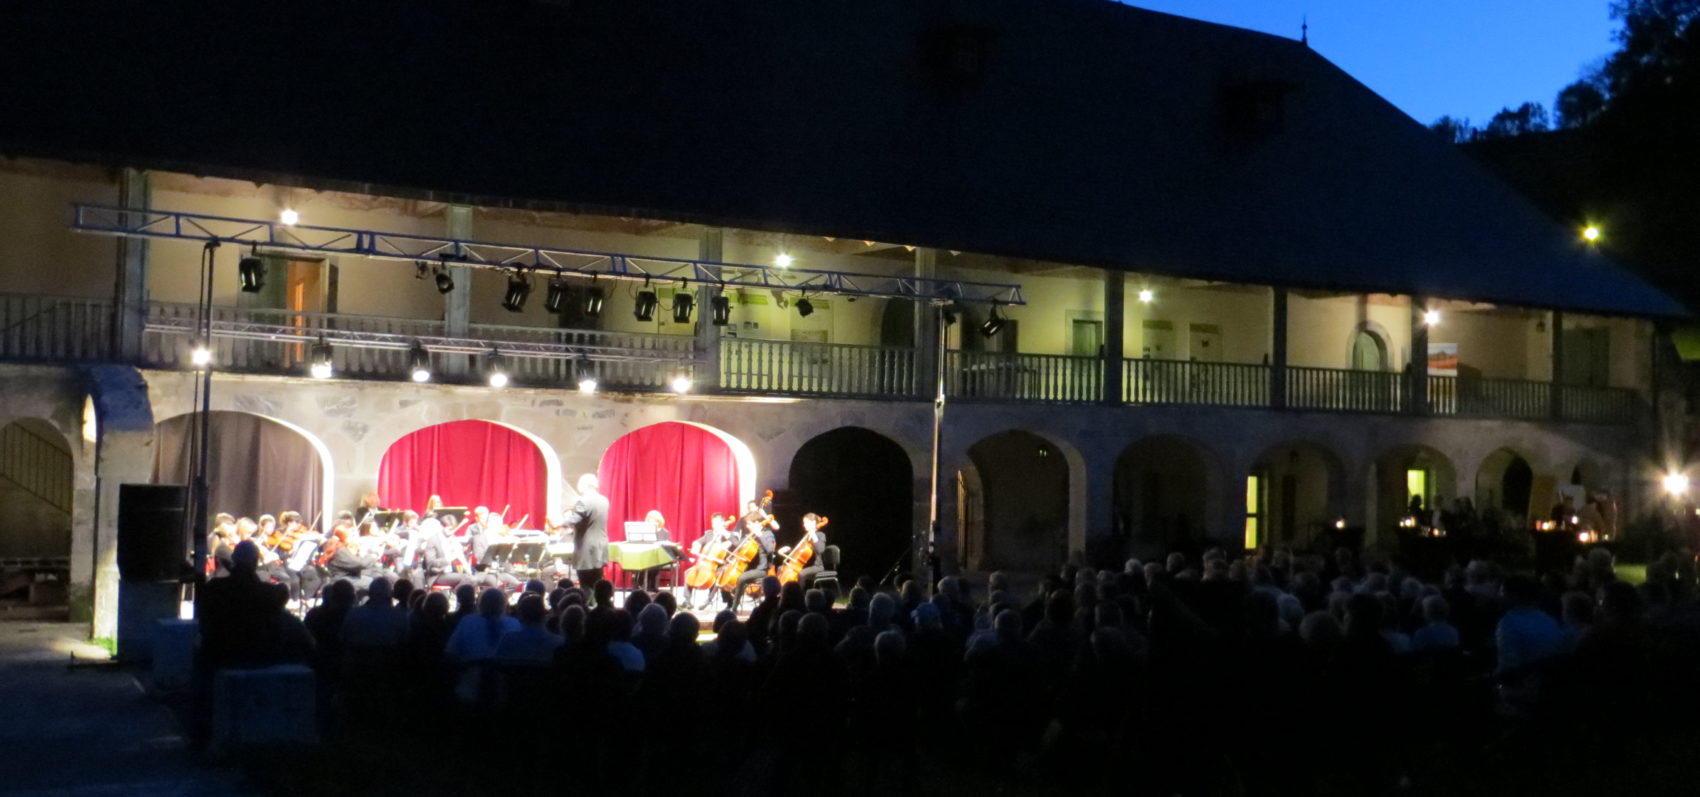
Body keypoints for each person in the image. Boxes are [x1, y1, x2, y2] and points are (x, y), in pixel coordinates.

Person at [566, 474, 610, 593]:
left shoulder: (583, 501)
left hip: (586, 549)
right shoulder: (604, 500)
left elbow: (574, 519)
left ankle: (588, 609)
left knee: (586, 585)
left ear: (582, 486)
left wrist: (558, 522)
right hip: (600, 547)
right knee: (597, 582)